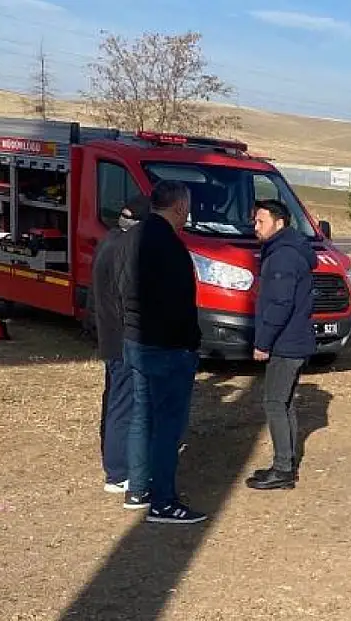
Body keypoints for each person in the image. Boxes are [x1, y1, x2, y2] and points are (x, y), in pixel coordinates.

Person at [118, 179, 206, 524]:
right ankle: (163, 501)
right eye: (188, 208)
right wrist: (190, 345)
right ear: (179, 207)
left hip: (136, 339)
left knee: (142, 417)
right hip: (166, 346)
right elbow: (177, 304)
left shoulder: (132, 237)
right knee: (168, 426)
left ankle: (138, 488)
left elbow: (121, 288)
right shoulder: (168, 245)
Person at [246, 199, 318, 490]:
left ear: (280, 223)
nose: (255, 227)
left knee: (275, 403)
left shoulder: (283, 257)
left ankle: (283, 469)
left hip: (286, 343)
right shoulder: (288, 250)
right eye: (255, 221)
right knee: (285, 402)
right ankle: (284, 463)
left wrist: (263, 342)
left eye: (260, 221)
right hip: (295, 340)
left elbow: (280, 303)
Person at [89, 194, 150, 494]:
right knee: (123, 405)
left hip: (108, 336)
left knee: (114, 399)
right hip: (123, 339)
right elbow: (131, 298)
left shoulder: (107, 242)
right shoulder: (126, 250)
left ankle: (116, 465)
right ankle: (117, 472)